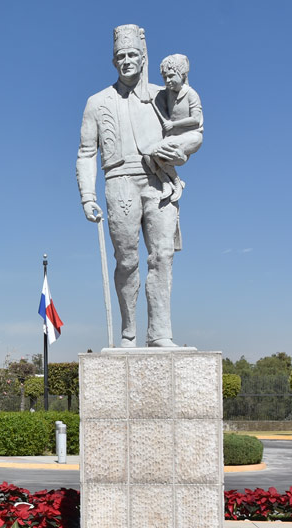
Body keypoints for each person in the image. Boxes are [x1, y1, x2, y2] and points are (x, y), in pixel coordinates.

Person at [76, 24, 194, 348]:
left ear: (143, 58)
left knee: (163, 255)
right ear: (114, 61)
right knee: (127, 260)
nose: (126, 60)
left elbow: (192, 132)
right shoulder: (96, 102)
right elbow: (86, 153)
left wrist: (181, 151)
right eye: (120, 56)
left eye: (132, 55)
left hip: (160, 180)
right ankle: (129, 331)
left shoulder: (163, 96)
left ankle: (160, 333)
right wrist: (87, 196)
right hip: (119, 181)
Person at [146, 54, 204, 203]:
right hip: (174, 137)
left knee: (160, 152)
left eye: (171, 76)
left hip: (192, 135)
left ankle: (176, 180)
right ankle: (167, 181)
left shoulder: (191, 94)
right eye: (165, 77)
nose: (167, 81)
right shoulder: (168, 93)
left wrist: (173, 124)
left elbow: (196, 119)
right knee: (148, 155)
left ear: (182, 75)